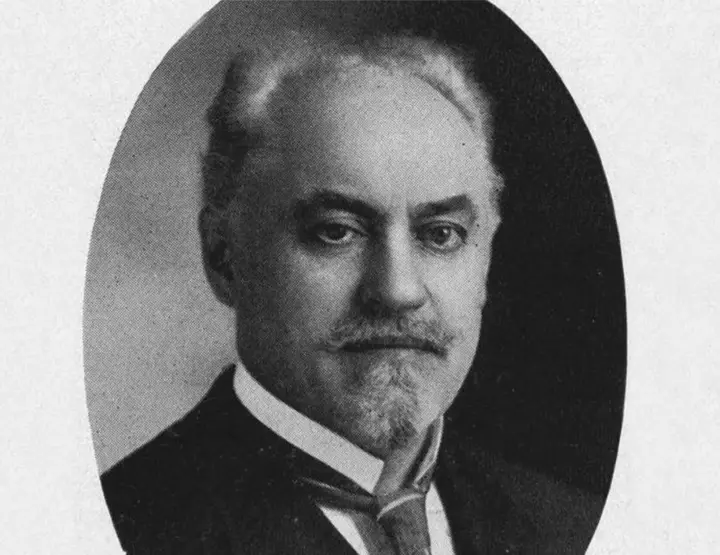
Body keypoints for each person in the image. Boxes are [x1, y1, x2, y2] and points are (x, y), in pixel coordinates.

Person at [101, 31, 603, 554]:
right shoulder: (130, 528)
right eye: (336, 231)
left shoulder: (568, 524)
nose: (398, 290)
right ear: (224, 257)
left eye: (441, 234)